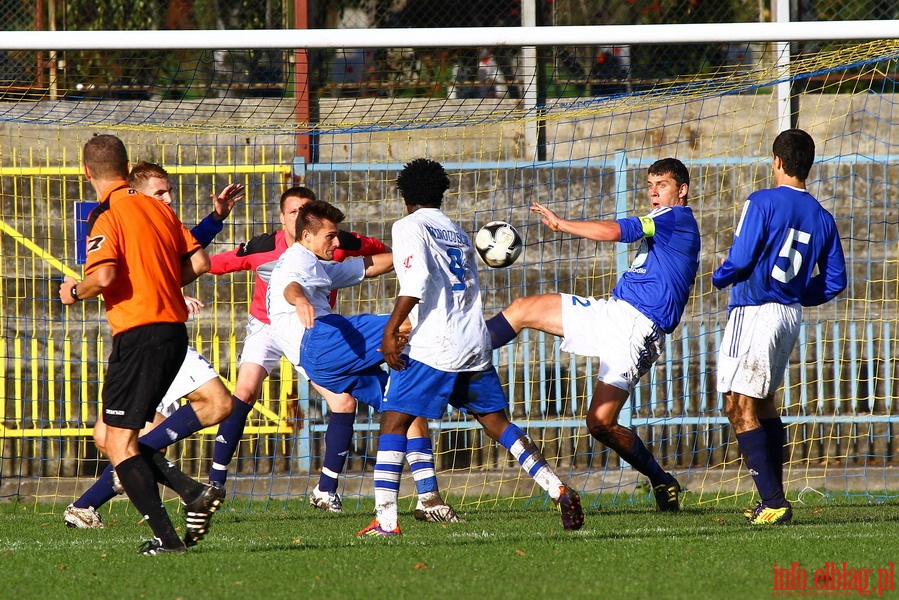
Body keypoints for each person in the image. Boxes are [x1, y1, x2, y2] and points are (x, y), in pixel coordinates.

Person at [359, 158, 584, 537]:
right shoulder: (458, 233)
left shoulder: (409, 225)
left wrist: (391, 330)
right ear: (441, 193)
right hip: (473, 341)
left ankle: (386, 521)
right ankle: (556, 487)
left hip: (436, 347)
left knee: (393, 419)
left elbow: (414, 282)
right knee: (497, 424)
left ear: (404, 194)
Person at [206, 186, 456, 521]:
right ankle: (465, 351)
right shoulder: (295, 258)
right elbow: (291, 286)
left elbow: (367, 265)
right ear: (301, 231)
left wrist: (412, 256)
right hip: (321, 342)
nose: (336, 244)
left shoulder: (318, 262)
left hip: (324, 358)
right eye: (330, 237)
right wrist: (301, 300)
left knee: (403, 400)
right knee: (406, 324)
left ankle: (428, 498)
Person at [485, 157, 700, 513]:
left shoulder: (675, 219)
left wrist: (562, 223)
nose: (653, 193)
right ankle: (466, 351)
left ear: (682, 189)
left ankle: (661, 479)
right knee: (523, 308)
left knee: (599, 423)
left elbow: (618, 231)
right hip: (612, 312)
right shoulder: (666, 222)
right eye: (649, 186)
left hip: (637, 332)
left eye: (661, 185)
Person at [59, 135, 232, 554]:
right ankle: (191, 492)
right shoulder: (157, 207)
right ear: (128, 165)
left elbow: (103, 278)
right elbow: (199, 263)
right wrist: (159, 285)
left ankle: (168, 539)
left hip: (139, 333)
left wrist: (73, 292)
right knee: (114, 436)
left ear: (86, 172)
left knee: (117, 441)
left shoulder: (107, 215)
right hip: (173, 332)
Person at [713, 129, 847, 525]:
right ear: (808, 165)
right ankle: (773, 497)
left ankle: (773, 502)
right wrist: (797, 295)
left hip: (754, 311)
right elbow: (836, 280)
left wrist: (717, 278)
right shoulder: (822, 216)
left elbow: (740, 258)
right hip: (789, 315)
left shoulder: (762, 201)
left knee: (737, 406)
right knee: (764, 402)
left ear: (776, 161)